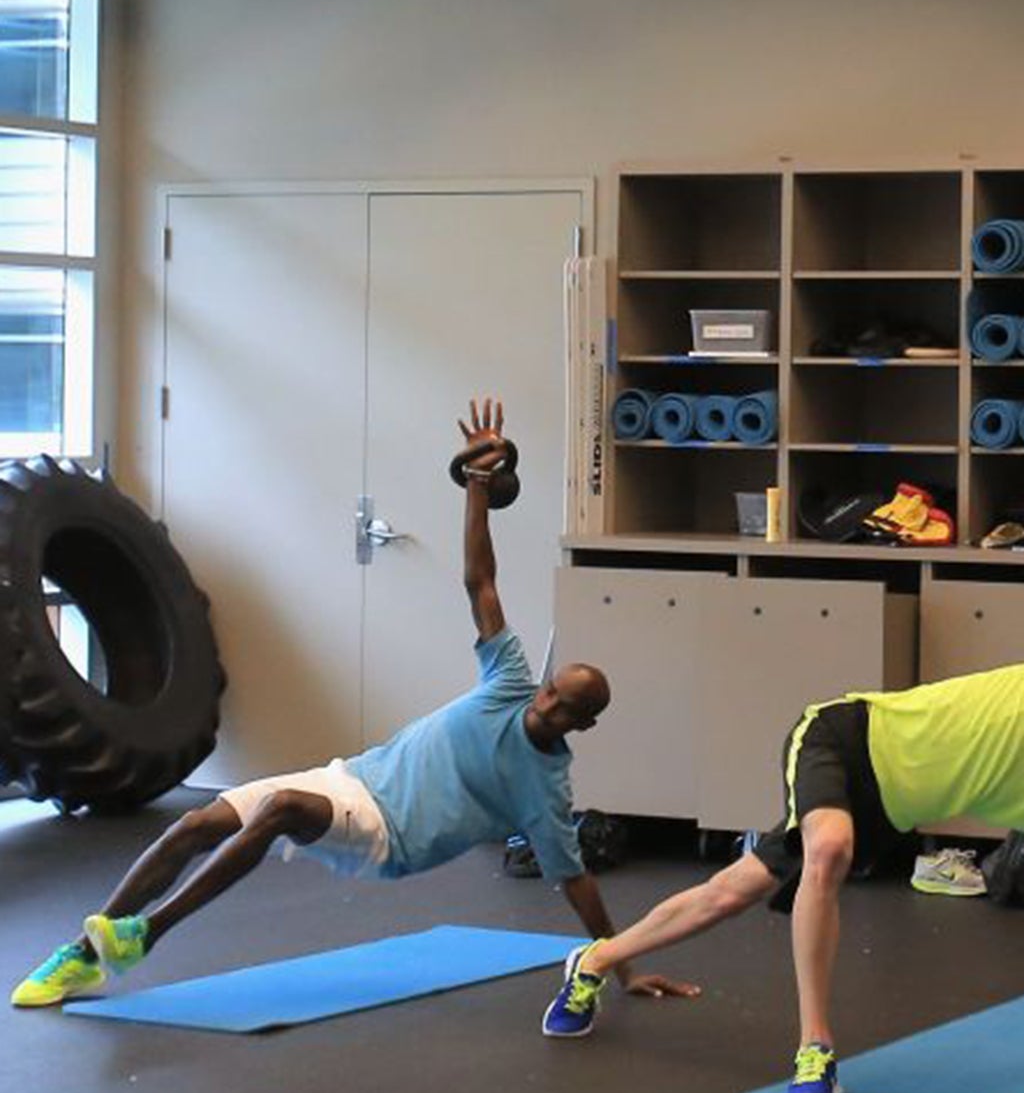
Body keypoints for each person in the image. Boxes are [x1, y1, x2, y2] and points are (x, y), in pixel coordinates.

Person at [541, 356, 1024, 1093]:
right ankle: (815, 1051)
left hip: (886, 807)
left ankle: (593, 960)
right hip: (846, 735)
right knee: (827, 850)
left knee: (734, 891)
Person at [13, 399, 690, 1009]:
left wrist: (622, 966)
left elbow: (577, 885)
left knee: (278, 811)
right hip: (348, 780)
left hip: (386, 836)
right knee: (196, 825)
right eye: (551, 691)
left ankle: (143, 935)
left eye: (565, 708)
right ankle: (82, 955)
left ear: (583, 724)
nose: (546, 706)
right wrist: (478, 485)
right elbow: (479, 579)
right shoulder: (510, 679)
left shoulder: (543, 786)